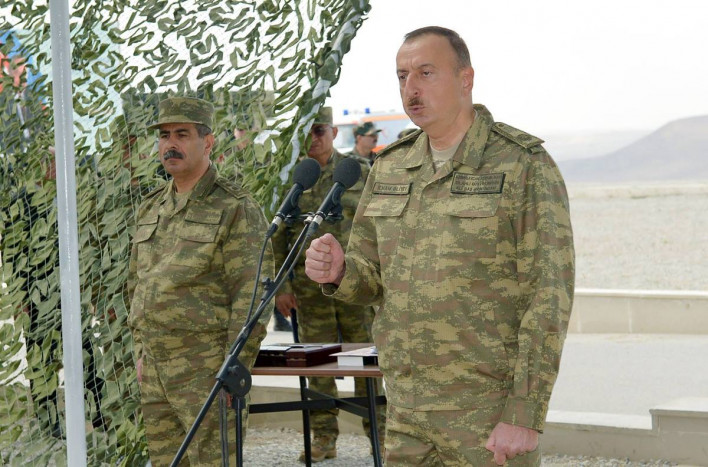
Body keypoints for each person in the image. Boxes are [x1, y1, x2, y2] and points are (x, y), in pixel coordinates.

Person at [304, 26, 575, 466]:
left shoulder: (521, 164)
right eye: (402, 76)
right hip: (406, 410)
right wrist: (340, 271)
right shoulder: (391, 167)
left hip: (486, 413)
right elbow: (371, 277)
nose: (411, 88)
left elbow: (549, 296)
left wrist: (524, 413)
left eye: (425, 73)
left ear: (466, 78)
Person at [127, 97, 273, 466]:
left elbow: (252, 294)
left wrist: (233, 367)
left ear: (207, 142)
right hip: (156, 369)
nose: (170, 144)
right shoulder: (151, 207)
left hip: (206, 370)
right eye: (164, 136)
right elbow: (137, 284)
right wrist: (141, 351)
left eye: (182, 134)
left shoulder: (235, 207)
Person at [271, 106, 386, 463]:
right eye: (307, 131)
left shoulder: (357, 172)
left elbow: (380, 225)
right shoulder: (294, 178)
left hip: (355, 285)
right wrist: (281, 287)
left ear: (334, 133)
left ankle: (380, 435)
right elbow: (279, 238)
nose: (313, 138)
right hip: (309, 291)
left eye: (319, 130)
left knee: (367, 361)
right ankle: (323, 436)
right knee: (316, 363)